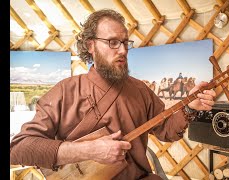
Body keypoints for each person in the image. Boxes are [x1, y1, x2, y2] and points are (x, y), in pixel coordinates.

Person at [10, 9, 216, 180]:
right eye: (113, 42)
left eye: (126, 43)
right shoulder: (64, 92)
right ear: (91, 45)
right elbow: (19, 148)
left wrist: (190, 106)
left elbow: (167, 131)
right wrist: (89, 151)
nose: (123, 50)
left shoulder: (140, 91)